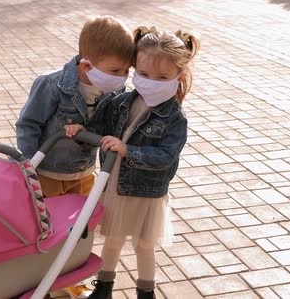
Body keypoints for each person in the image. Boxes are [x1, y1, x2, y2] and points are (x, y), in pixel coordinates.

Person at [15, 16, 134, 298]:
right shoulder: (52, 85)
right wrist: (29, 166)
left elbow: (105, 126)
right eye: (116, 70)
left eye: (126, 70)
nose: (122, 78)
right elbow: (28, 124)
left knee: (78, 232)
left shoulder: (113, 89)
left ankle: (66, 281)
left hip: (84, 174)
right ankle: (44, 282)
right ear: (87, 66)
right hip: (49, 173)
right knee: (48, 233)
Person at [89, 26, 200, 299]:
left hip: (145, 193)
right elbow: (100, 126)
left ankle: (145, 291)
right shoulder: (123, 101)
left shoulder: (174, 117)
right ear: (134, 68)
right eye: (144, 74)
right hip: (116, 185)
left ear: (179, 76)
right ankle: (104, 287)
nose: (151, 81)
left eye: (162, 77)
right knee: (112, 240)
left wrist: (129, 150)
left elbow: (165, 157)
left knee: (143, 245)